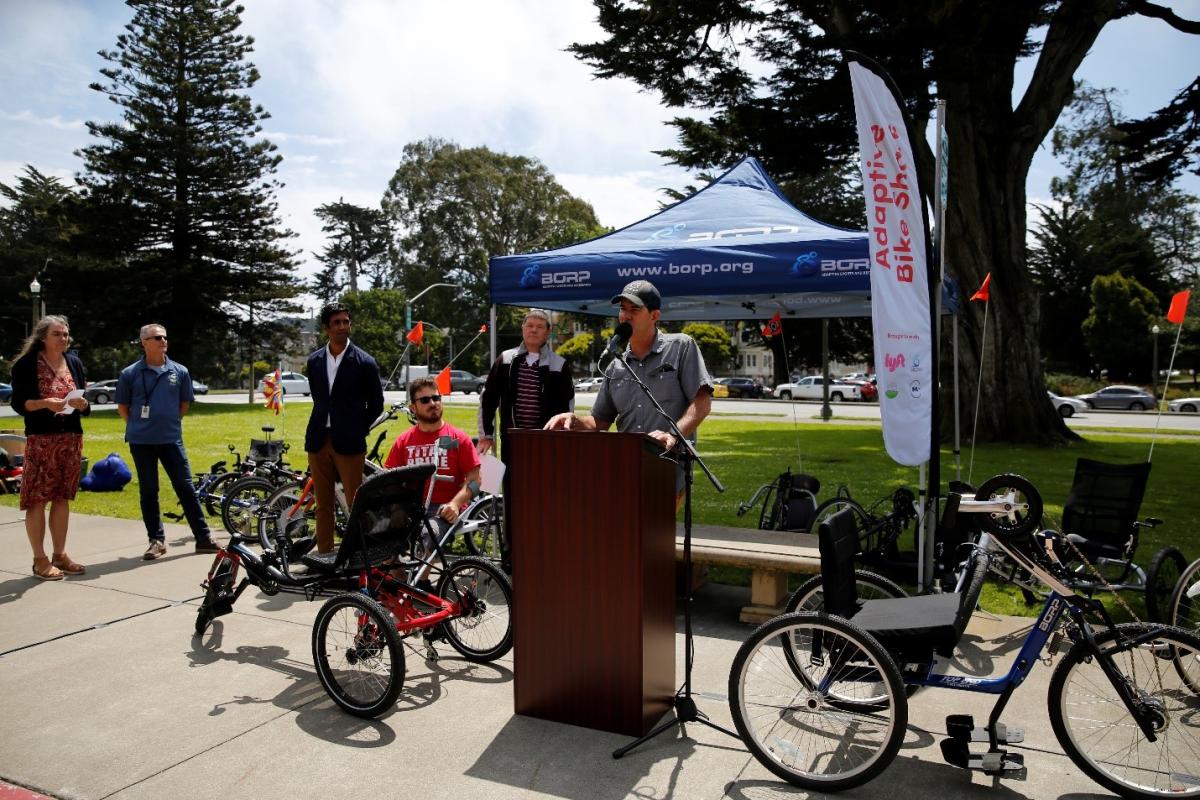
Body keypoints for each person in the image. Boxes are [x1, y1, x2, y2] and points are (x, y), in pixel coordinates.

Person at [545, 280, 713, 489]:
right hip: (625, 470)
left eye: (635, 309)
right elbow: (600, 421)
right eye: (623, 309)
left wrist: (672, 434)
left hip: (668, 467)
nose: (626, 315)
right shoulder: (616, 366)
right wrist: (573, 420)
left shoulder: (681, 347)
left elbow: (703, 402)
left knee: (657, 522)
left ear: (654, 316)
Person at [477, 308, 573, 570]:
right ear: (522, 329)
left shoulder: (559, 365)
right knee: (513, 500)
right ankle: (512, 556)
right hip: (513, 445)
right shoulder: (506, 360)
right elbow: (488, 400)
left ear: (548, 332)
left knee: (545, 498)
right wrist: (485, 436)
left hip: (546, 447)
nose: (533, 330)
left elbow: (568, 410)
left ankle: (545, 551)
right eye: (529, 325)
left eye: (539, 326)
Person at [116, 323, 218, 559]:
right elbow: (123, 407)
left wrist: (169, 423)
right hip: (141, 442)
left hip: (171, 439)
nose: (163, 341)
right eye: (156, 338)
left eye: (164, 337)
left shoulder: (179, 371)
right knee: (149, 490)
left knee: (185, 488)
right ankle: (156, 541)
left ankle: (203, 538)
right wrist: (138, 426)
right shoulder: (130, 373)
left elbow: (184, 404)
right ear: (144, 342)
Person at [10, 316, 90, 580]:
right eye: (58, 334)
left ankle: (60, 554)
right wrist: (46, 403)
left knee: (61, 497)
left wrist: (81, 405)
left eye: (66, 334)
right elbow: (20, 403)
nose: (64, 338)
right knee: (37, 498)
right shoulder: (26, 364)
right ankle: (39, 559)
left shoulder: (74, 362)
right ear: (43, 337)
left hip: (70, 439)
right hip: (42, 440)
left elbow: (84, 398)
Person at [304, 302, 384, 554]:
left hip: (349, 443)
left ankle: (360, 557)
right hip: (318, 440)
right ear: (327, 328)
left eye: (345, 322)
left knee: (355, 503)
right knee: (323, 504)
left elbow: (377, 405)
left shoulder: (365, 362)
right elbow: (319, 398)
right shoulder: (314, 361)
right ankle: (325, 555)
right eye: (336, 322)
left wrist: (357, 428)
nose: (342, 327)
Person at [384, 377, 481, 543]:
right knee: (375, 535)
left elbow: (475, 481)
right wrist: (396, 508)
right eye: (425, 400)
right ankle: (399, 570)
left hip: (443, 510)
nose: (433, 403)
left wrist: (455, 504)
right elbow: (388, 480)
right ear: (413, 408)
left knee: (427, 537)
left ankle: (421, 569)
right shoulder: (403, 441)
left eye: (436, 398)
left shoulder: (459, 439)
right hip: (411, 507)